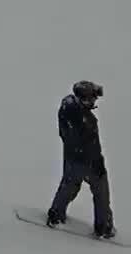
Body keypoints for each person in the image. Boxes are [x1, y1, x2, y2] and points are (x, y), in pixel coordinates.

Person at [46, 80, 113, 238]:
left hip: (73, 159)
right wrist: (96, 164)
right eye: (92, 99)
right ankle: (104, 228)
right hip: (86, 162)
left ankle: (56, 214)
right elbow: (86, 144)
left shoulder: (70, 109)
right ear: (83, 98)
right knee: (101, 191)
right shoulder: (81, 118)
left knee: (70, 186)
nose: (94, 102)